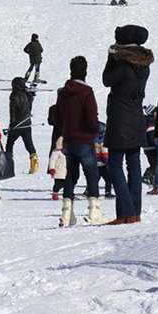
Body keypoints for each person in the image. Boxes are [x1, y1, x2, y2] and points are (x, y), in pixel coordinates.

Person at [102, 24, 153, 224]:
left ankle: (126, 212)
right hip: (136, 118)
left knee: (114, 165)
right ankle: (134, 213)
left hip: (120, 118)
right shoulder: (144, 64)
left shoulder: (122, 63)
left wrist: (110, 58)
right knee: (133, 164)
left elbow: (107, 80)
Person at [57, 55, 103, 226]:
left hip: (69, 140)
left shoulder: (63, 92)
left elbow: (57, 117)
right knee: (92, 174)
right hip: (84, 139)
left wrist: (66, 131)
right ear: (85, 71)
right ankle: (94, 211)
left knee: (71, 175)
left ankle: (66, 213)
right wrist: (94, 130)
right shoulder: (86, 91)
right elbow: (92, 118)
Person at [7, 77, 38, 173]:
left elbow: (13, 112)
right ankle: (34, 165)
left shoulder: (14, 96)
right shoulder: (28, 95)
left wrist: (11, 125)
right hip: (27, 123)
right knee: (29, 144)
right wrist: (31, 94)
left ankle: (8, 164)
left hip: (17, 124)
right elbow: (30, 106)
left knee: (10, 144)